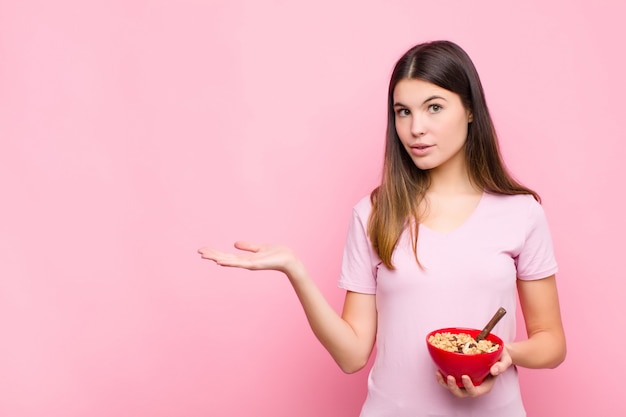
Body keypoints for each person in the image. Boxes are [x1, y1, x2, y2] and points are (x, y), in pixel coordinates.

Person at [198, 40, 566, 417]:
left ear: (470, 109)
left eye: (434, 108)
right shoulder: (374, 214)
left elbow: (552, 343)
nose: (415, 128)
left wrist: (504, 354)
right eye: (402, 112)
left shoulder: (520, 213)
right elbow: (351, 355)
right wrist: (296, 271)